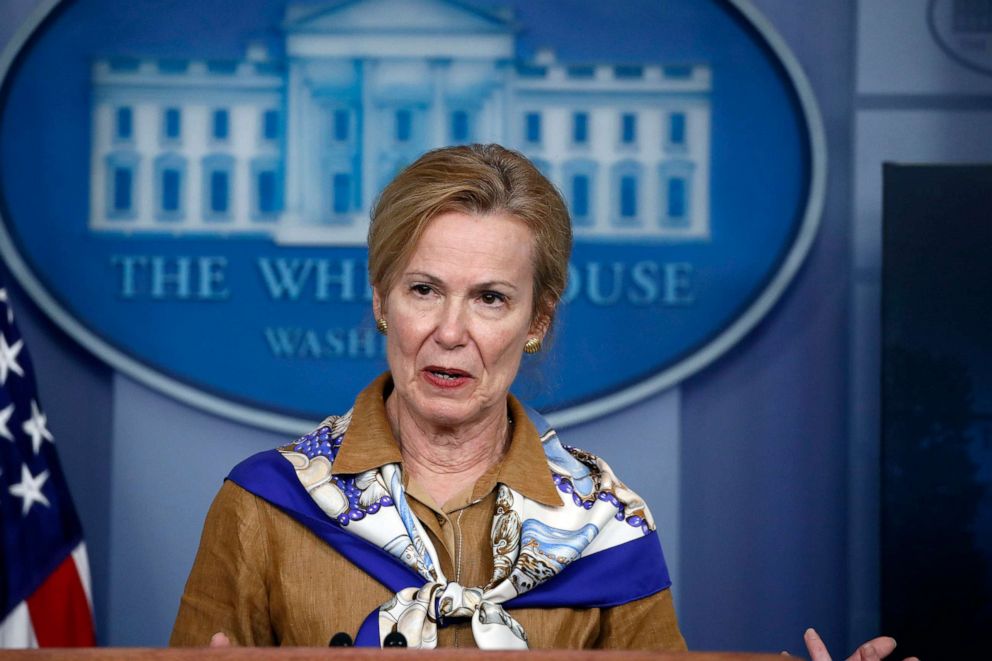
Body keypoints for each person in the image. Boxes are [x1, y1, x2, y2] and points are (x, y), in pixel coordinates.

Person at [170, 144, 914, 659]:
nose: (450, 332)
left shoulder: (605, 524)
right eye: (424, 289)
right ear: (380, 300)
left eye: (491, 298)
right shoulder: (264, 504)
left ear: (537, 322)